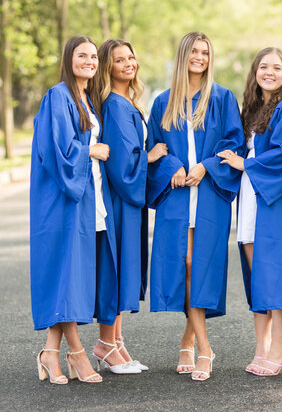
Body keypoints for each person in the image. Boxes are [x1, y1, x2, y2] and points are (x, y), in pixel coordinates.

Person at [147, 31, 245, 381]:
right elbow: (155, 147)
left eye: (205, 52)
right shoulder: (163, 101)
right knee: (183, 263)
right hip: (177, 195)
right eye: (194, 51)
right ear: (183, 55)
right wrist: (172, 167)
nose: (199, 57)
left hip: (208, 192)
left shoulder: (221, 98)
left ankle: (193, 343)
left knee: (198, 264)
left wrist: (206, 165)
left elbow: (234, 143)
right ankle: (202, 344)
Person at [31, 35, 118, 384]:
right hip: (64, 201)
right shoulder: (58, 96)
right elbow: (56, 151)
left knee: (70, 277)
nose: (89, 61)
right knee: (65, 275)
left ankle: (50, 354)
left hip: (87, 199)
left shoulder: (86, 99)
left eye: (94, 57)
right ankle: (77, 354)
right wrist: (91, 152)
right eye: (82, 55)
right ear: (68, 59)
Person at [218, 47, 282, 377]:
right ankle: (263, 345)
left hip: (277, 198)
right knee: (257, 273)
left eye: (276, 67)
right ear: (255, 71)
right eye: (263, 66)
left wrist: (247, 163)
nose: (269, 72)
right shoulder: (253, 109)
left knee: (276, 272)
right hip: (250, 197)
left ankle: (279, 346)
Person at [95, 38, 168, 373]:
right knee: (116, 267)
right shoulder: (113, 104)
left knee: (125, 267)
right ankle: (106, 343)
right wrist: (150, 156)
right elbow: (122, 161)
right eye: (118, 59)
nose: (128, 63)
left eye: (131, 57)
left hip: (129, 200)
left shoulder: (127, 101)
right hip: (120, 199)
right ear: (107, 66)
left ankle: (116, 342)